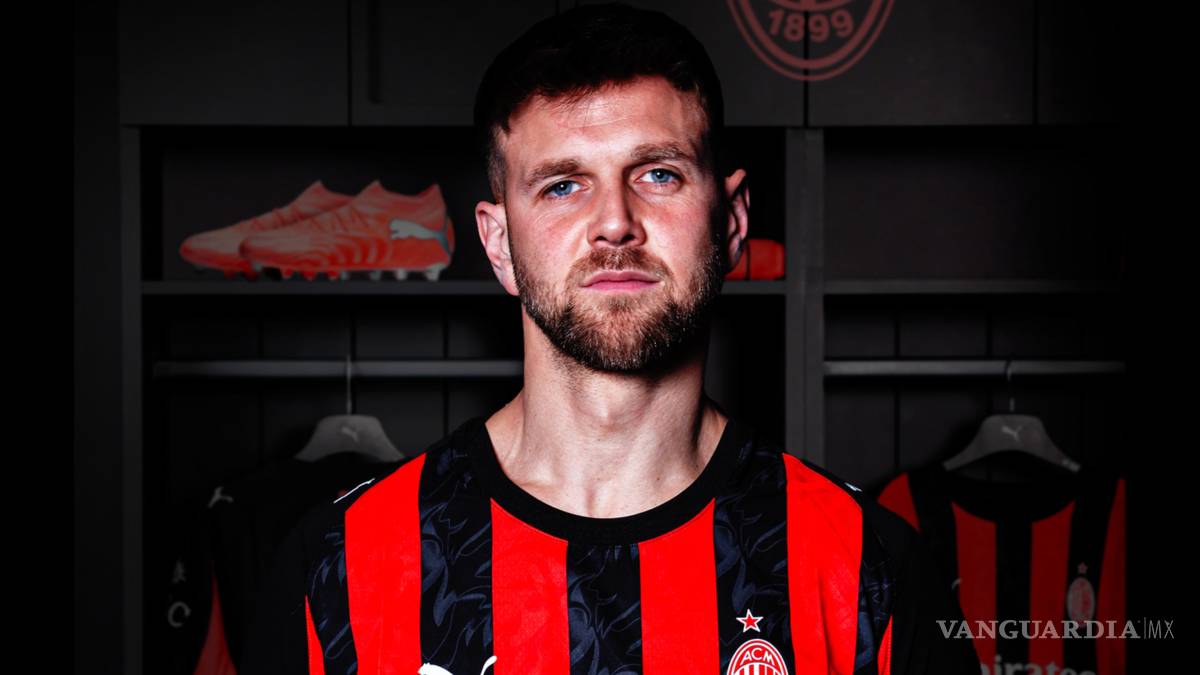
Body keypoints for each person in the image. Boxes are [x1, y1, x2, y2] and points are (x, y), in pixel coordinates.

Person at [243, 3, 979, 674]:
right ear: (499, 245)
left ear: (730, 222)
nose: (615, 223)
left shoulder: (870, 567)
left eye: (658, 174)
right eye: (563, 185)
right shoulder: (336, 567)